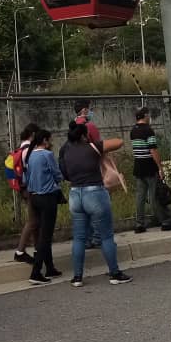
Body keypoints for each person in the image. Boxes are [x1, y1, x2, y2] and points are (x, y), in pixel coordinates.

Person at [59, 122, 132, 286]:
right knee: (106, 236)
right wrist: (94, 141)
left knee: (78, 238)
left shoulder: (67, 152)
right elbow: (119, 142)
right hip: (95, 193)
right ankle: (114, 273)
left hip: (75, 194)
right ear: (85, 135)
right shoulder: (92, 147)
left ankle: (77, 277)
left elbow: (65, 173)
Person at [25, 129, 63, 284]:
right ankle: (36, 272)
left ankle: (50, 267)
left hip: (34, 197)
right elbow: (57, 174)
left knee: (42, 233)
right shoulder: (47, 155)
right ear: (45, 141)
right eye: (50, 140)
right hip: (47, 196)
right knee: (45, 237)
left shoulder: (30, 154)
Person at [130, 108, 169, 232]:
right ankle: (165, 221)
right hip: (149, 167)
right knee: (154, 196)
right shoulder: (148, 130)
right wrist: (160, 167)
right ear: (145, 116)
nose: (149, 118)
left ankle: (139, 224)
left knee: (140, 197)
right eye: (149, 115)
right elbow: (153, 150)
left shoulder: (133, 131)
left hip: (138, 166)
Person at [73, 100, 102, 248]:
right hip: (91, 169)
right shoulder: (90, 126)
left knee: (82, 208)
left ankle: (86, 238)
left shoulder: (71, 127)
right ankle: (97, 238)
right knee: (96, 206)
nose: (91, 111)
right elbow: (100, 146)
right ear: (84, 110)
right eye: (89, 109)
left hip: (76, 173)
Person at [13, 123, 40, 264]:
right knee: (33, 221)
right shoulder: (30, 150)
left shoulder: (20, 148)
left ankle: (37, 250)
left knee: (35, 220)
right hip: (31, 189)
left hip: (24, 188)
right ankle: (20, 251)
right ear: (34, 135)